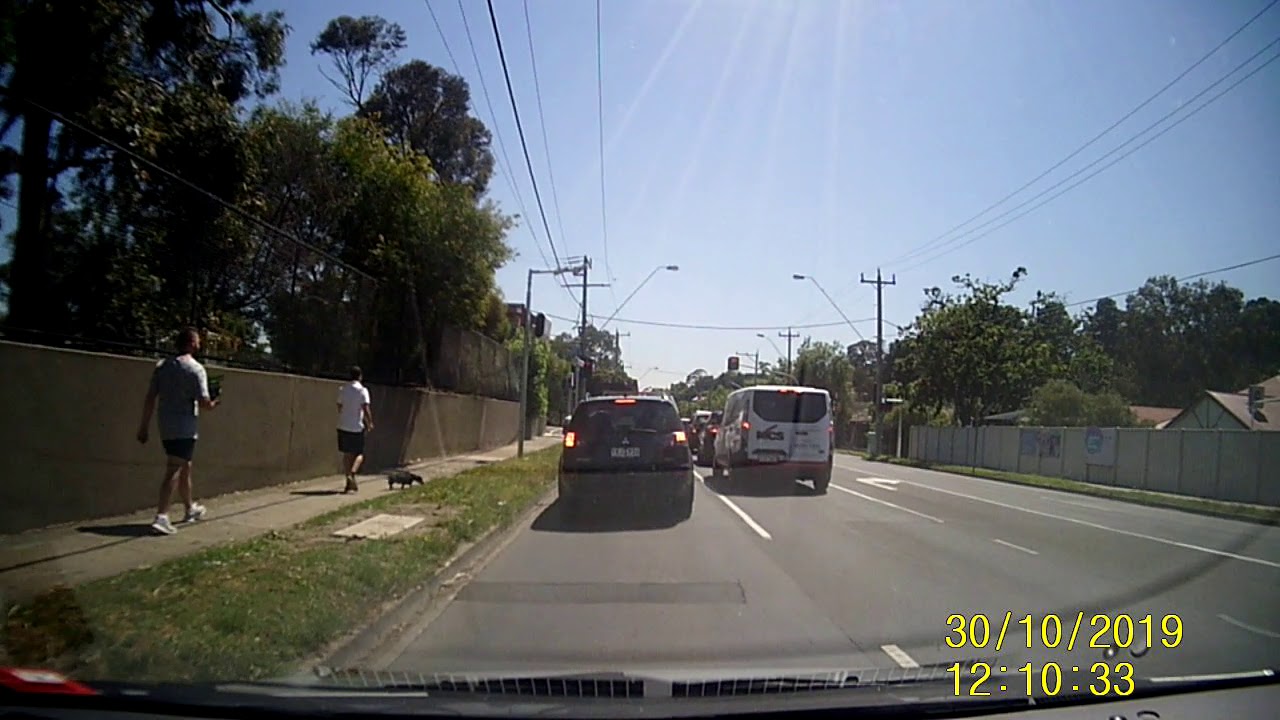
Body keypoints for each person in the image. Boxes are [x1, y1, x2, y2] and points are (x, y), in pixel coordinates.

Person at [136, 327, 219, 535]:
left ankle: (190, 508)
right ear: (191, 342)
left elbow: (150, 397)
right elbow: (204, 402)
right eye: (198, 341)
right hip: (185, 427)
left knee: (185, 466)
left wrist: (144, 426)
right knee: (174, 468)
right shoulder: (196, 369)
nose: (200, 344)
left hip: (165, 424)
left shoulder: (162, 366)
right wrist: (214, 403)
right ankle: (161, 516)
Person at [337, 365, 374, 493]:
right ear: (360, 376)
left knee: (347, 454)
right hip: (357, 426)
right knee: (359, 453)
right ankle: (353, 472)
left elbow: (339, 406)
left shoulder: (343, 389)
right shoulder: (363, 391)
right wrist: (370, 423)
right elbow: (365, 408)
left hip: (343, 425)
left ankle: (348, 479)